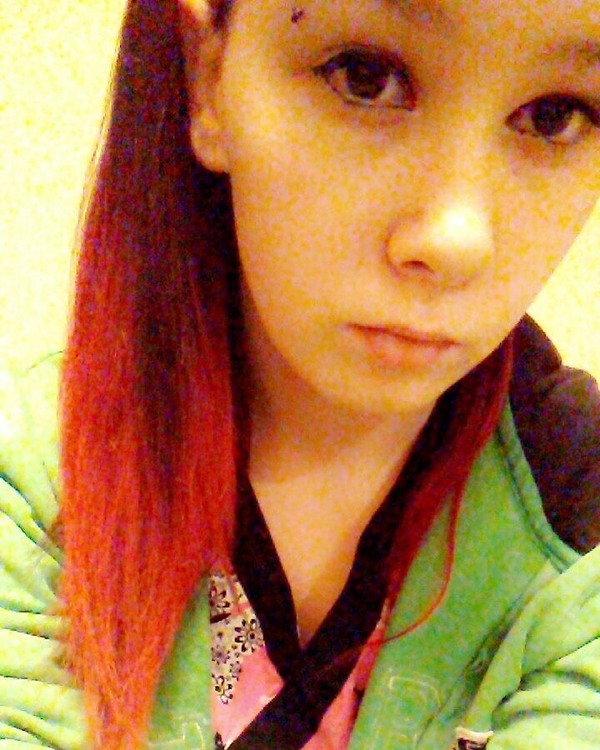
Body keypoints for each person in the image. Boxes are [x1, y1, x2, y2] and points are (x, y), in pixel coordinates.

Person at [0, 0, 599, 748]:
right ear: (208, 75)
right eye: (365, 76)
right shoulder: (31, 481)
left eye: (554, 117)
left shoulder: (576, 520)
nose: (456, 240)